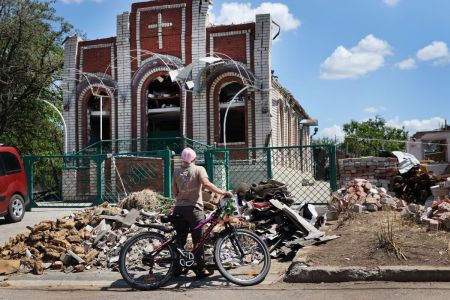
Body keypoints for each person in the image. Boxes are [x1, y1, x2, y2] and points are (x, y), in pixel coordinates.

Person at [171, 147, 233, 278]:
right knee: (198, 240)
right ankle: (200, 269)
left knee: (180, 239)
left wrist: (182, 198)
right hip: (194, 209)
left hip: (179, 208)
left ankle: (177, 268)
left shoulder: (176, 171)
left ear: (182, 159)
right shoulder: (199, 169)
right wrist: (223, 192)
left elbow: (174, 192)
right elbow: (206, 184)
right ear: (194, 159)